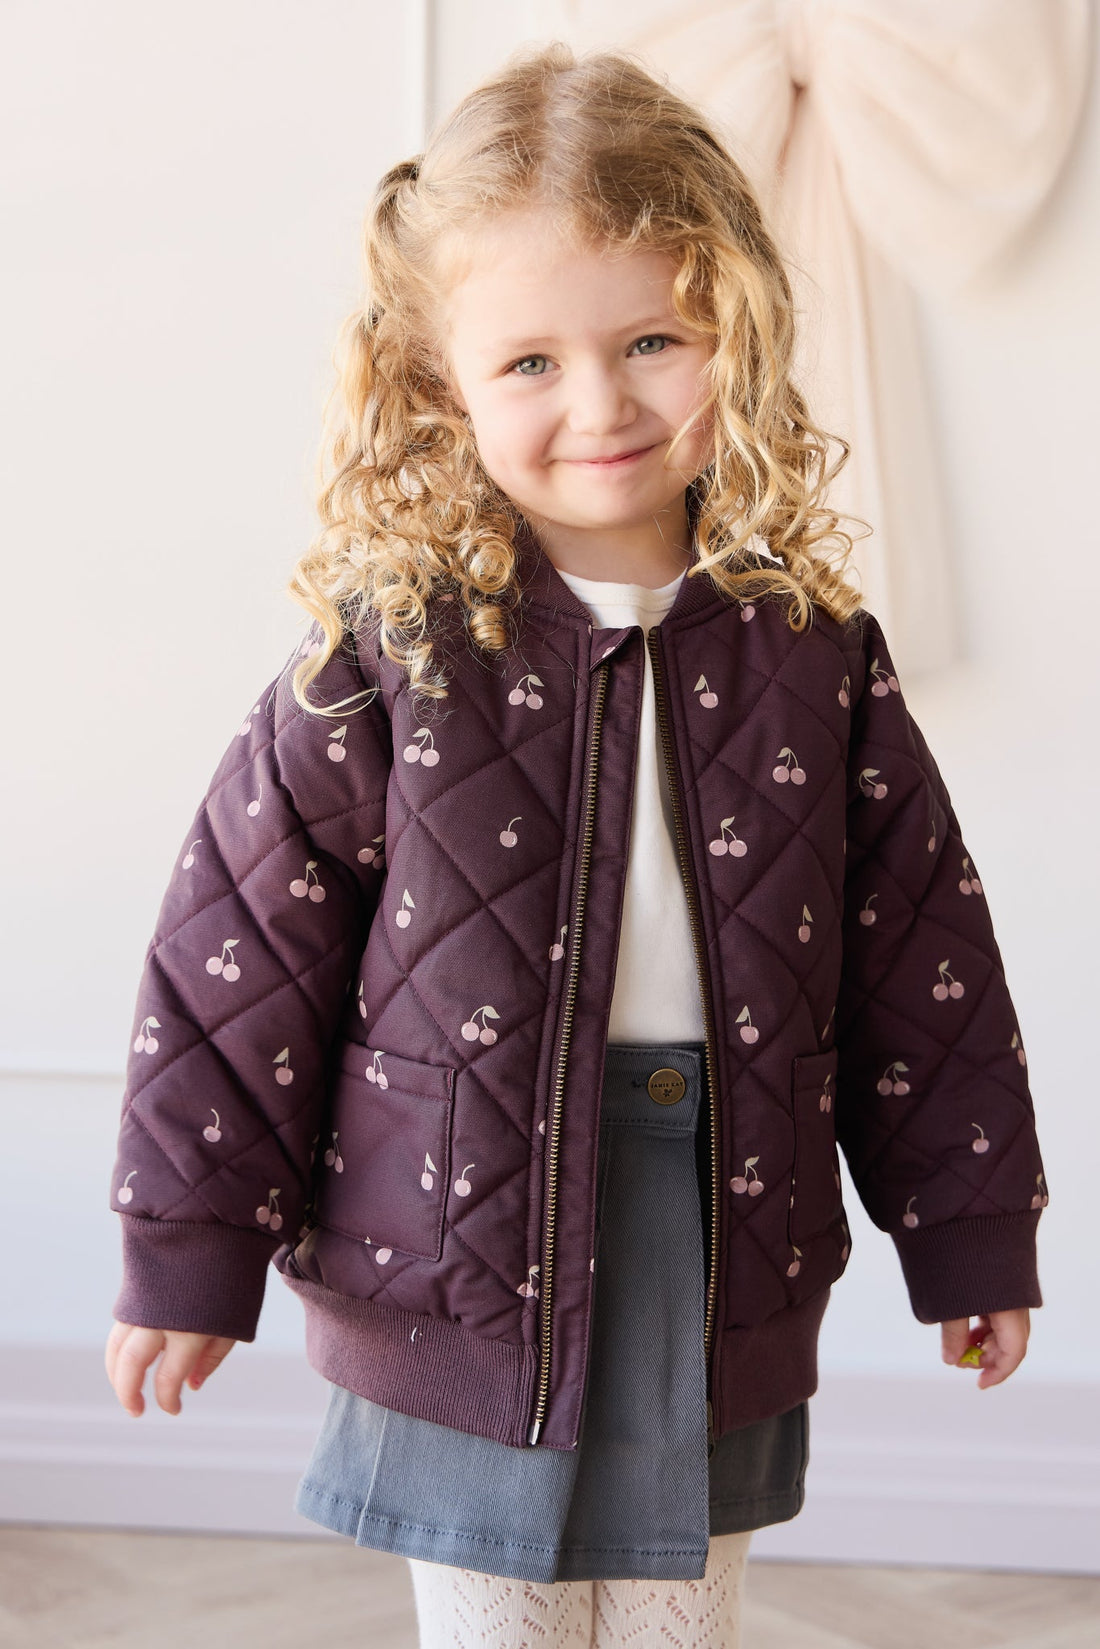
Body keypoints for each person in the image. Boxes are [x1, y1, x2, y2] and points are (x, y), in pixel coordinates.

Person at [104, 40, 1048, 1648]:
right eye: (531, 359)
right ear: (439, 382)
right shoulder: (388, 656)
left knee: (684, 1615)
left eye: (652, 340)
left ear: (736, 326)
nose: (600, 403)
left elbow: (923, 965)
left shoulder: (813, 652)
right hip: (452, 1247)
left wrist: (969, 1233)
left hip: (719, 1222)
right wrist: (189, 1251)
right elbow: (236, 962)